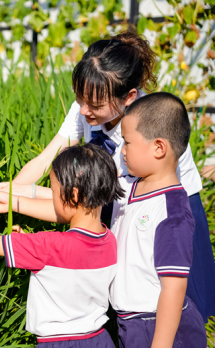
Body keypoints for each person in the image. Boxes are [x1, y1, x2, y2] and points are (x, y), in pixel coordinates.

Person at [0, 31, 215, 322]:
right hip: (121, 207)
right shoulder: (89, 104)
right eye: (80, 98)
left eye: (94, 105)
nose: (83, 110)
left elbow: (85, 203)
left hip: (165, 215)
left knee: (171, 308)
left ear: (129, 97)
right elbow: (48, 157)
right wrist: (12, 190)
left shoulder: (142, 138)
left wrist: (19, 200)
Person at [0, 143, 122, 347]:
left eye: (53, 189)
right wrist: (28, 241)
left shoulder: (48, 245)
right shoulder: (109, 239)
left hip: (58, 344)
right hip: (100, 340)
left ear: (74, 195)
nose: (52, 193)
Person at [108, 92, 207, 347]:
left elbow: (172, 290)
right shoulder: (127, 186)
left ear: (159, 147)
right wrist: (17, 197)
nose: (123, 151)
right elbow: (79, 200)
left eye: (127, 143)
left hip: (159, 329)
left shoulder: (172, 212)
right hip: (130, 324)